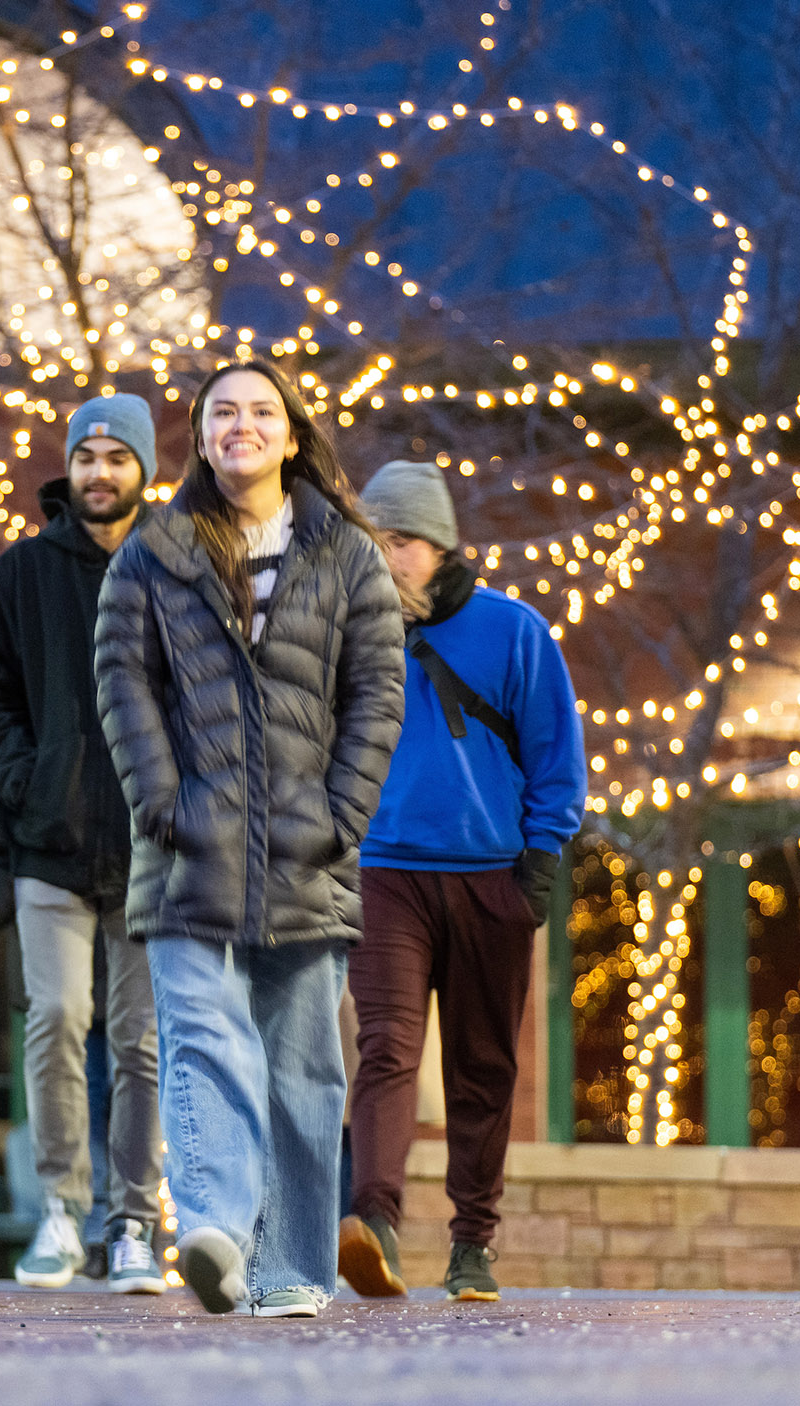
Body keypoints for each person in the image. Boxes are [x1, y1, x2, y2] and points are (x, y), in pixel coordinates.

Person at [94, 361, 407, 1318]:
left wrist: (341, 816)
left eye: (260, 411)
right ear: (200, 434)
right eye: (223, 411)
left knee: (307, 1064)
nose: (242, 425)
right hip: (187, 849)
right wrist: (163, 803)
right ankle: (218, 1232)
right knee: (199, 1038)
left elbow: (377, 695)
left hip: (308, 854)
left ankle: (292, 1270)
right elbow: (123, 682)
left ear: (291, 432)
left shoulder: (347, 554)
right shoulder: (153, 547)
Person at [336, 459, 587, 1304]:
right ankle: (371, 1222)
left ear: (439, 546)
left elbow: (559, 761)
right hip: (384, 875)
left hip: (492, 878)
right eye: (372, 540)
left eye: (398, 541)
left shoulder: (513, 632)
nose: (383, 556)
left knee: (484, 1070)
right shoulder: (346, 630)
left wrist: (539, 868)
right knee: (387, 1049)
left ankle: (472, 1245)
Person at [0, 394, 167, 1294]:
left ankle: (132, 1223)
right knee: (53, 1023)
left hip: (155, 848)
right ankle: (58, 1210)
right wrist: (26, 778)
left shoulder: (179, 568)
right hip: (49, 844)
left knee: (141, 1043)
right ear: (69, 468)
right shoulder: (19, 576)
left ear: (144, 471)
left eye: (118, 457)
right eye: (87, 455)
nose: (99, 472)